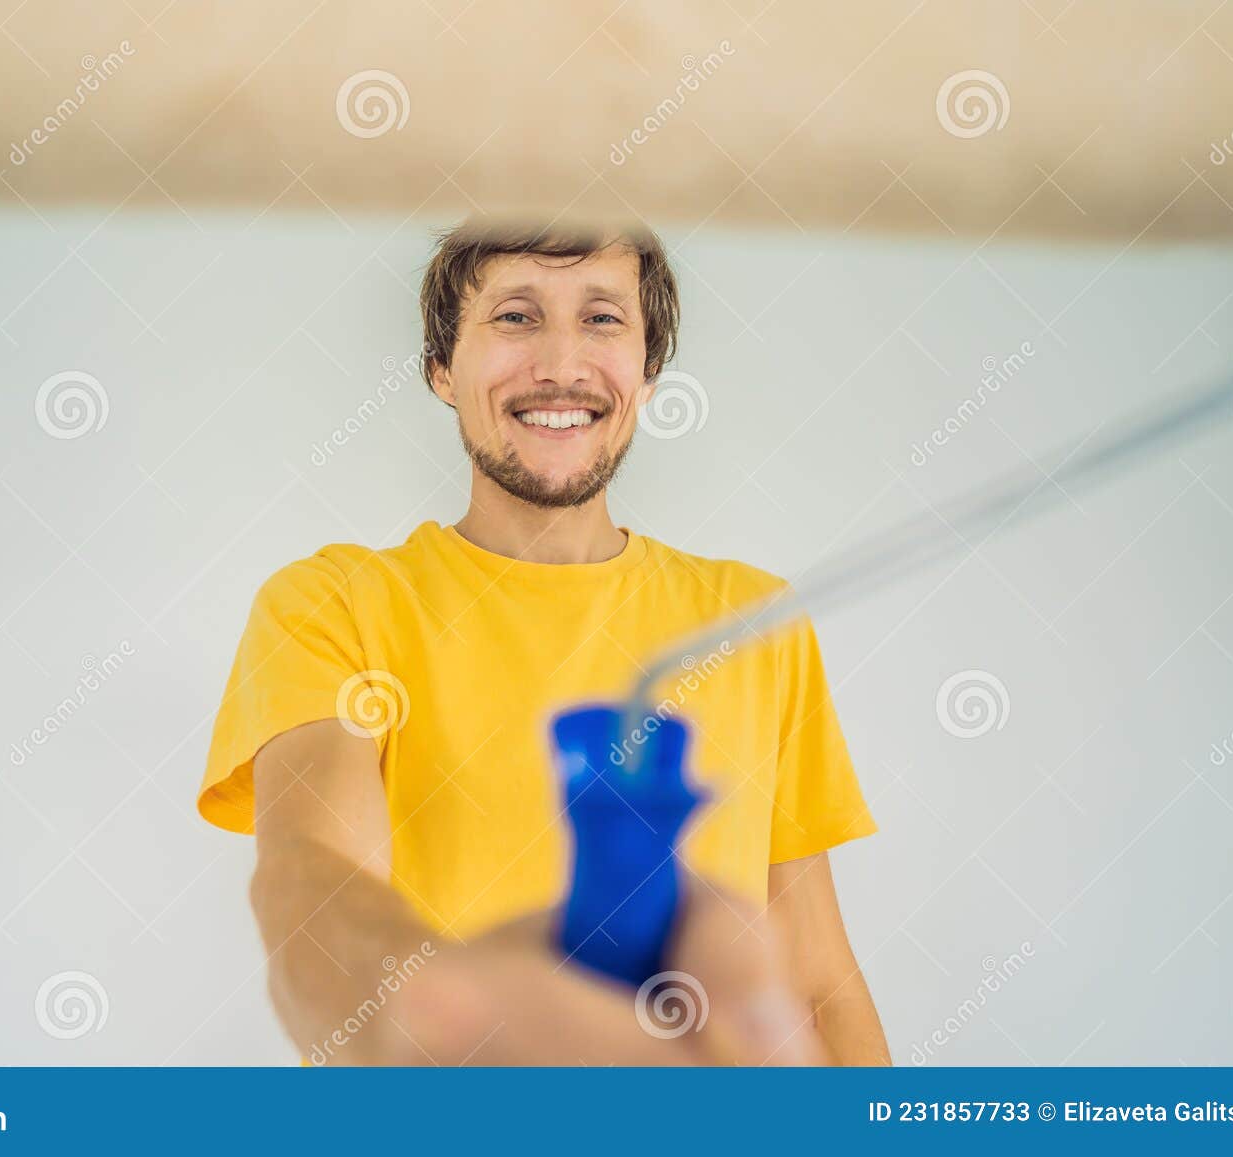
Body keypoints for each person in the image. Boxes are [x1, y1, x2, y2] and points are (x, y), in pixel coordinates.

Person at [196, 220, 888, 1065]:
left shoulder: (752, 620)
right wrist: (423, 1009)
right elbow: (311, 877)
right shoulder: (336, 604)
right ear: (442, 369)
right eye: (516, 316)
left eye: (602, 319)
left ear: (648, 368)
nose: (562, 364)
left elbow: (818, 981)